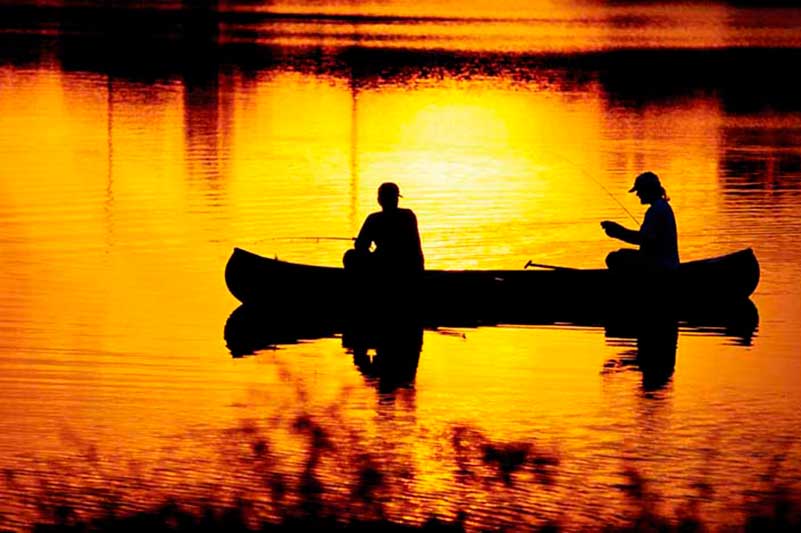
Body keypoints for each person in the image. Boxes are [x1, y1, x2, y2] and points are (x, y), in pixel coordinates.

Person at [601, 171, 679, 271]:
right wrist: (618, 231)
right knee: (620, 254)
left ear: (648, 190)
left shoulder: (656, 211)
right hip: (666, 262)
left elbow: (641, 239)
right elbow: (646, 239)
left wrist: (618, 231)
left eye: (639, 190)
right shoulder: (662, 207)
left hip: (660, 265)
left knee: (614, 258)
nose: (637, 194)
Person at [344, 182, 424, 275]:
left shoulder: (373, 219)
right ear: (396, 199)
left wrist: (361, 243)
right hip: (412, 266)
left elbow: (360, 246)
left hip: (383, 265)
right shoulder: (408, 215)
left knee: (350, 255)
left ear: (379, 200)